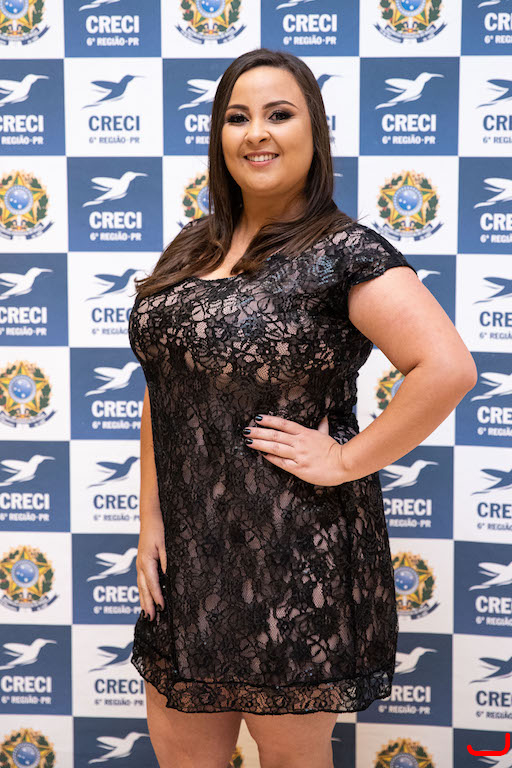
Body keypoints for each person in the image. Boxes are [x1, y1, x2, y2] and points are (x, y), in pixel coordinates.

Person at [127, 48, 477, 768]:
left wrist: (345, 460)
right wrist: (150, 519)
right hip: (189, 561)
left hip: (293, 557)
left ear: (313, 131)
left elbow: (447, 369)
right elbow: (166, 387)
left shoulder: (343, 251)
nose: (256, 132)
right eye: (237, 117)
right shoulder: (193, 246)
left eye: (279, 114)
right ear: (219, 137)